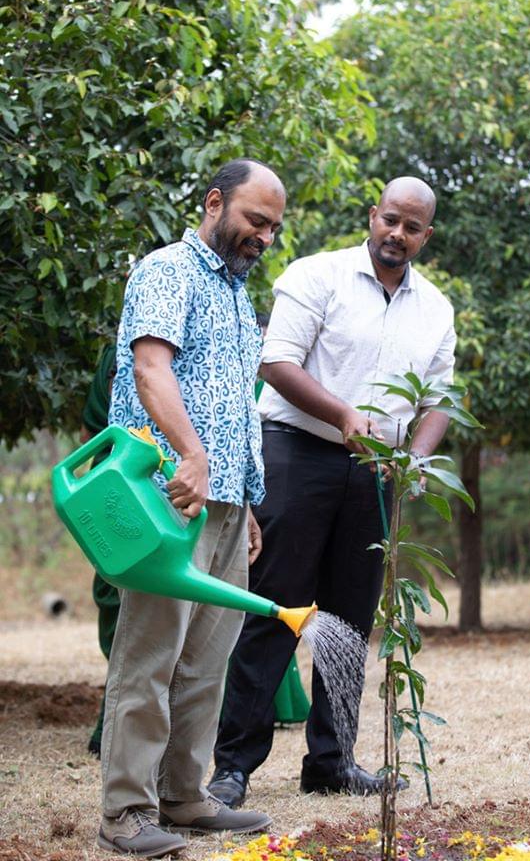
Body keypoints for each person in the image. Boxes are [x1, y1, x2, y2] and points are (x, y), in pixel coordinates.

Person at [209, 176, 456, 807]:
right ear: (372, 216)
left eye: (411, 227)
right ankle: (233, 766)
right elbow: (276, 361)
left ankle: (332, 762)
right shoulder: (316, 275)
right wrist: (345, 418)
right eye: (389, 220)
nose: (396, 234)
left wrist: (414, 460)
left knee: (350, 617)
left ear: (427, 236)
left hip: (376, 472)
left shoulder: (437, 310)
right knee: (275, 609)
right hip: (297, 454)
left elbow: (441, 402)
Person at [98, 159, 286, 858]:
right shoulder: (167, 270)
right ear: (214, 202)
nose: (262, 236)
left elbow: (235, 406)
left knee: (207, 659)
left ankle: (182, 794)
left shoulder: (238, 295)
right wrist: (192, 454)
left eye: (272, 227)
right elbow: (151, 368)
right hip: (167, 495)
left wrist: (244, 501)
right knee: (150, 656)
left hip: (226, 502)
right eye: (254, 220)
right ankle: (124, 810)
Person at [78, 342, 120, 757]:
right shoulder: (114, 354)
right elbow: (90, 435)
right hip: (115, 493)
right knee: (116, 601)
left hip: (117, 490)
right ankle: (114, 726)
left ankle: (115, 727)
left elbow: (87, 438)